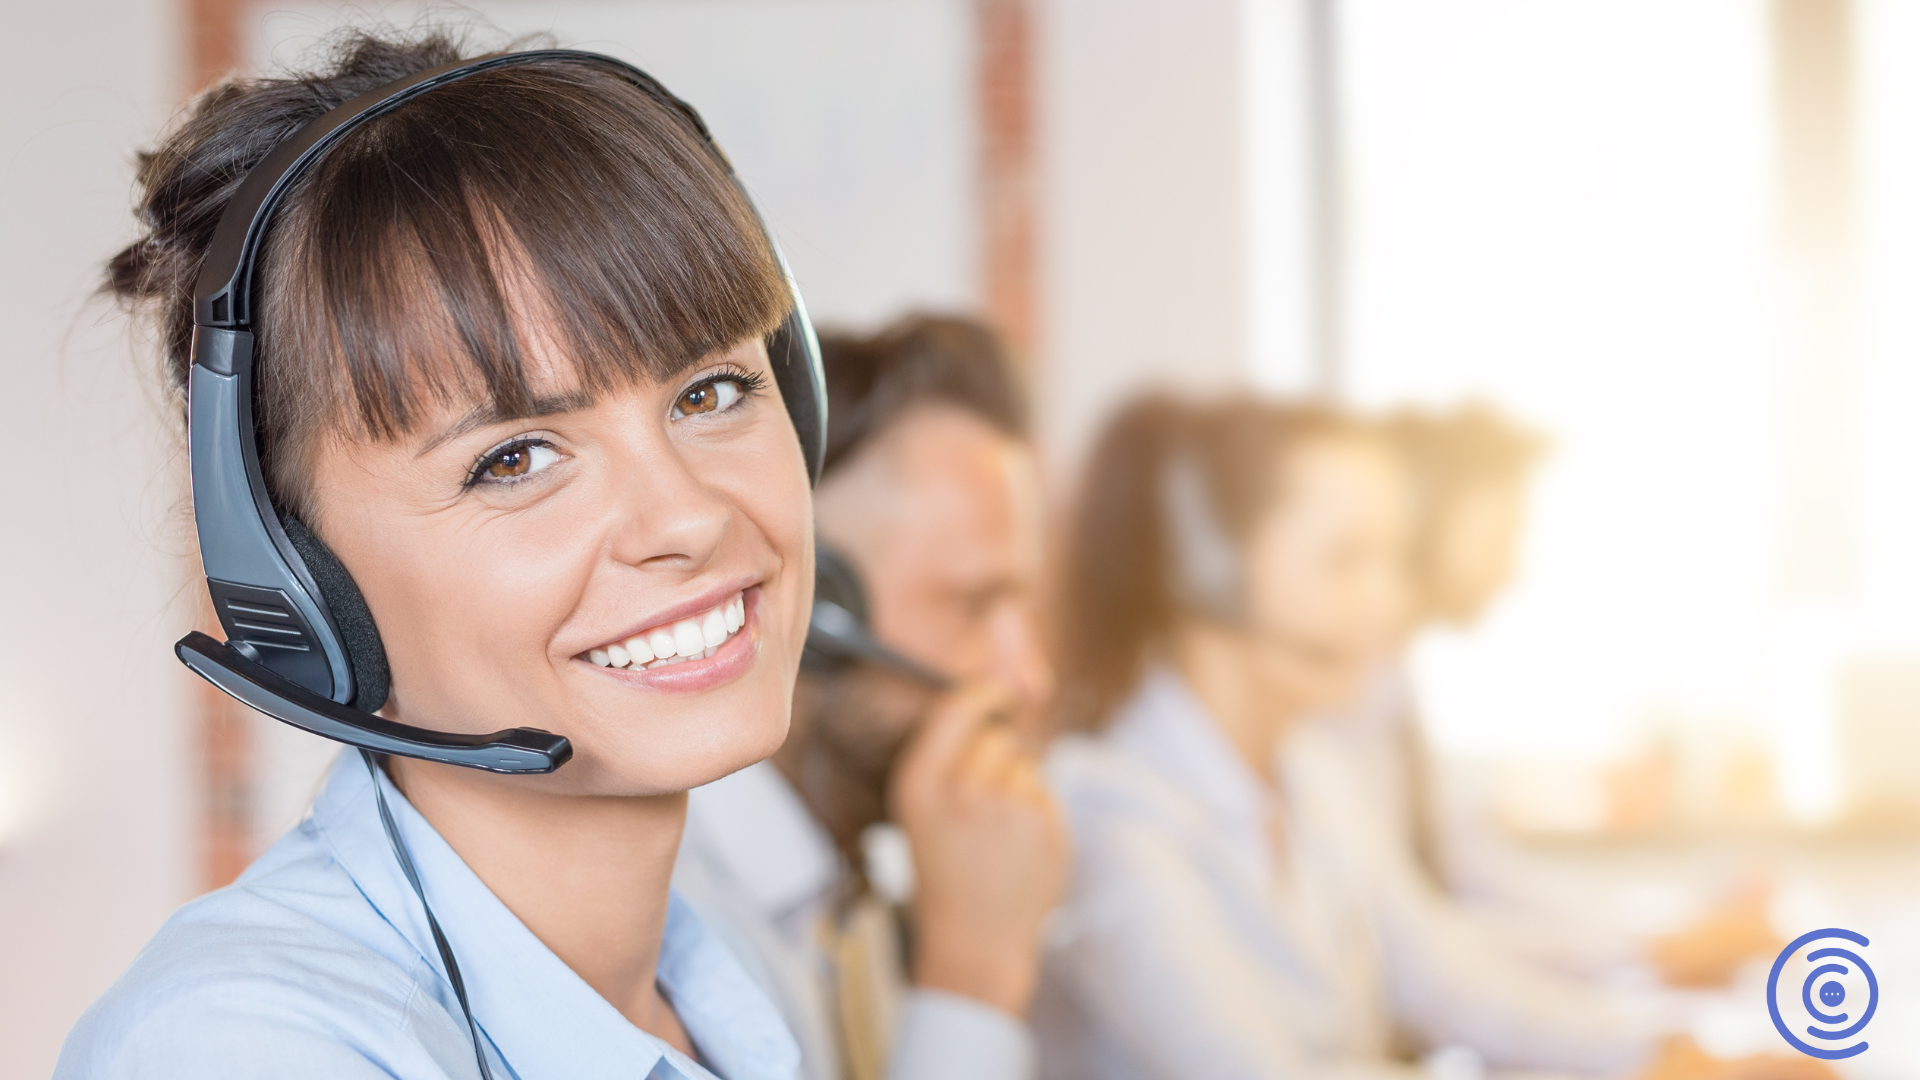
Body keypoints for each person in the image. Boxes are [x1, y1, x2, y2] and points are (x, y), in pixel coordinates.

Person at [59, 31, 820, 1078]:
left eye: (711, 391)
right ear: (295, 575)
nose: (685, 520)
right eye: (513, 458)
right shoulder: (240, 1046)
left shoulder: (729, 968)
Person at [1034, 394, 1829, 1080]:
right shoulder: (1110, 810)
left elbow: (1443, 974)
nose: (1385, 602)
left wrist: (1652, 1053)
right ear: (1208, 572)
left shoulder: (1310, 769)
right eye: (1345, 563)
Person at [673, 314, 1065, 1080]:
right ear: (822, 617)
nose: (1030, 679)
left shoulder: (851, 885)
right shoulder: (683, 929)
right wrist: (972, 980)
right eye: (975, 607)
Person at [1350, 405, 1780, 987]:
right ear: (1419, 522)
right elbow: (1420, 936)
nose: (1513, 569)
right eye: (1499, 535)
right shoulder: (1342, 704)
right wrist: (1651, 952)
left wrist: (1665, 936)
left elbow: (1473, 877)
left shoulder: (1389, 685)